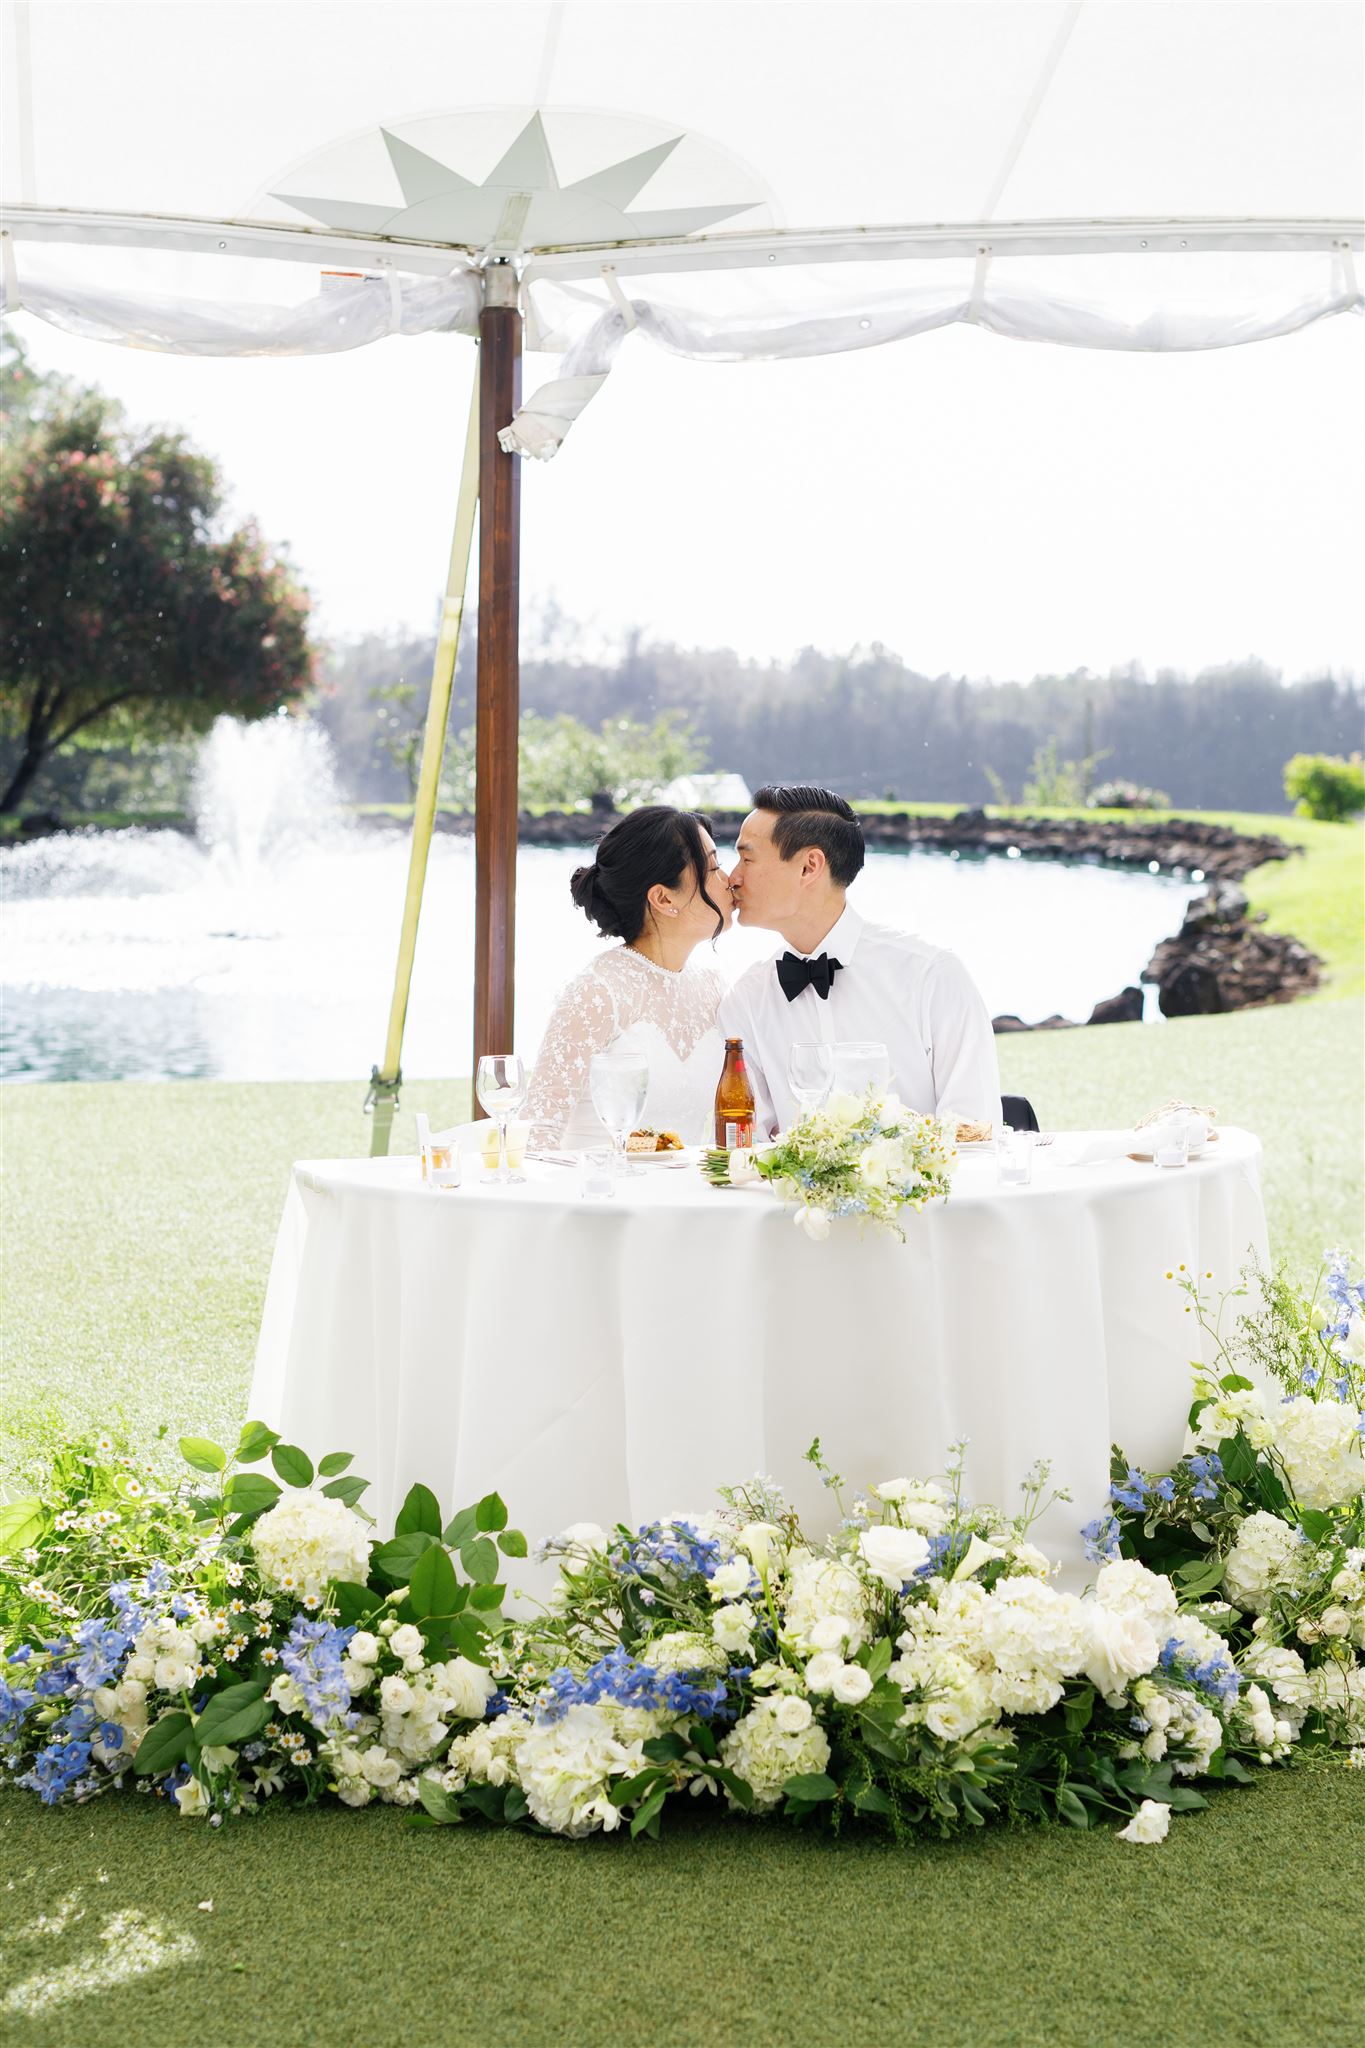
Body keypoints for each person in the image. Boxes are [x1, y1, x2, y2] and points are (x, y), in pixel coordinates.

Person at [719, 783, 1000, 1136]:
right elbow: (747, 1147)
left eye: (747, 858)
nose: (733, 878)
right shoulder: (746, 1001)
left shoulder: (932, 976)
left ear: (809, 867)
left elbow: (974, 1129)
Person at [525, 806, 733, 1149]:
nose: (729, 881)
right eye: (713, 867)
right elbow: (538, 1132)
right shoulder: (597, 991)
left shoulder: (714, 988)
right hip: (599, 1195)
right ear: (664, 898)